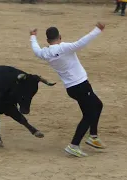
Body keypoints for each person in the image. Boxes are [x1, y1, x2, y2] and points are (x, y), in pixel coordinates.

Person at [29, 22, 106, 157]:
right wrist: (97, 30)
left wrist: (33, 37)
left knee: (97, 105)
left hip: (71, 88)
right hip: (81, 85)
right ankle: (74, 145)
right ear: (60, 37)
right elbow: (81, 42)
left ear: (47, 40)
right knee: (90, 114)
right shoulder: (64, 47)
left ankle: (93, 136)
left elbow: (36, 50)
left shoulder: (45, 53)